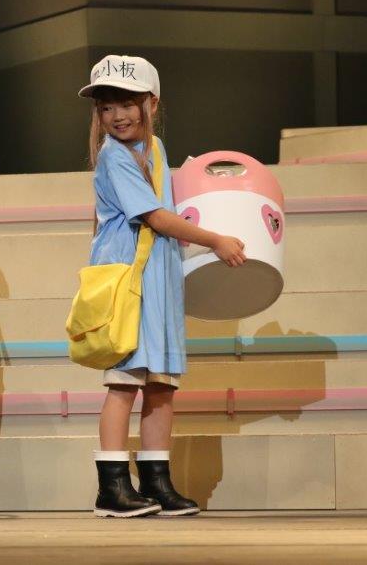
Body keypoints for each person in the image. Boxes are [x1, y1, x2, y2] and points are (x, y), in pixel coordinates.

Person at [80, 55, 245, 517]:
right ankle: (112, 486)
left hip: (159, 278)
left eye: (127, 104)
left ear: (152, 103)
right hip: (129, 280)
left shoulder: (154, 147)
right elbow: (154, 216)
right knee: (124, 382)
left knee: (161, 386)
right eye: (107, 107)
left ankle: (157, 481)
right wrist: (214, 240)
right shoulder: (114, 156)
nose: (117, 116)